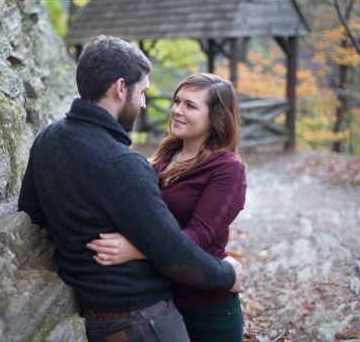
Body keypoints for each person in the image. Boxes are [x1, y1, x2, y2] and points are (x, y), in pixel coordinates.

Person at [17, 35, 244, 342]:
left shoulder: (49, 138)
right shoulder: (127, 163)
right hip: (142, 317)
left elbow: (32, 214)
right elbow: (172, 250)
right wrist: (228, 274)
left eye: (189, 105)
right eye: (143, 92)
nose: (145, 103)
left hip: (101, 310)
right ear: (121, 88)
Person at [86, 73, 247, 342]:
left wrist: (135, 250)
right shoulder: (163, 158)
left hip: (205, 307)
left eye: (190, 106)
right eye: (177, 101)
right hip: (158, 301)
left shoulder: (227, 168)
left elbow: (198, 237)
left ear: (216, 118)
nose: (176, 111)